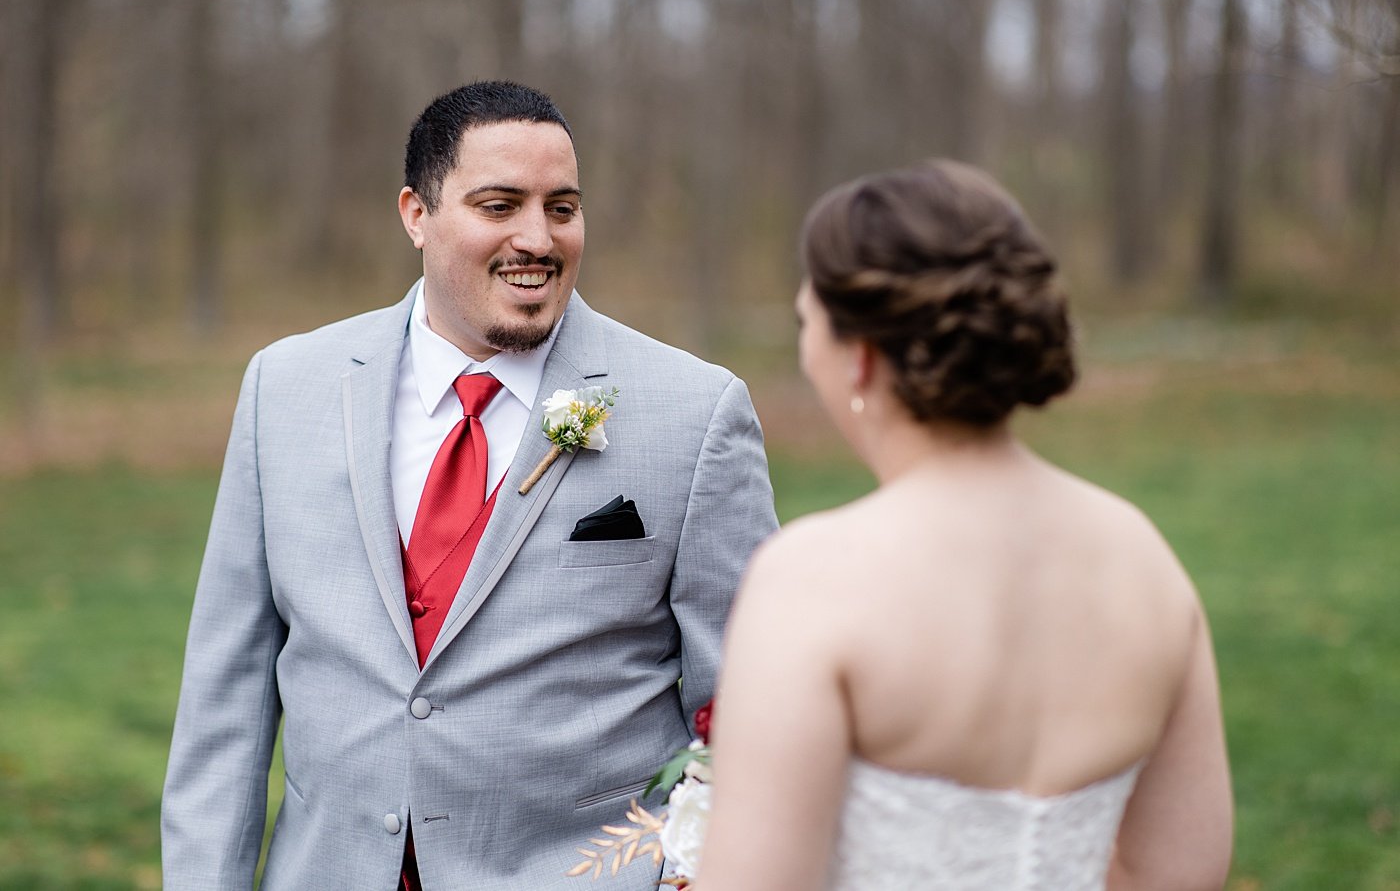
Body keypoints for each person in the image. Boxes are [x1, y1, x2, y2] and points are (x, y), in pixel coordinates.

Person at [160, 80, 778, 890]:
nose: (538, 237)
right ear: (417, 214)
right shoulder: (286, 388)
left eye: (562, 207)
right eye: (499, 205)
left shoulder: (693, 413)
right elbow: (225, 704)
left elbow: (749, 715)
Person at [694, 160, 1232, 890]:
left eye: (807, 321)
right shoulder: (1144, 559)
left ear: (861, 357)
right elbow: (1182, 870)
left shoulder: (812, 580)